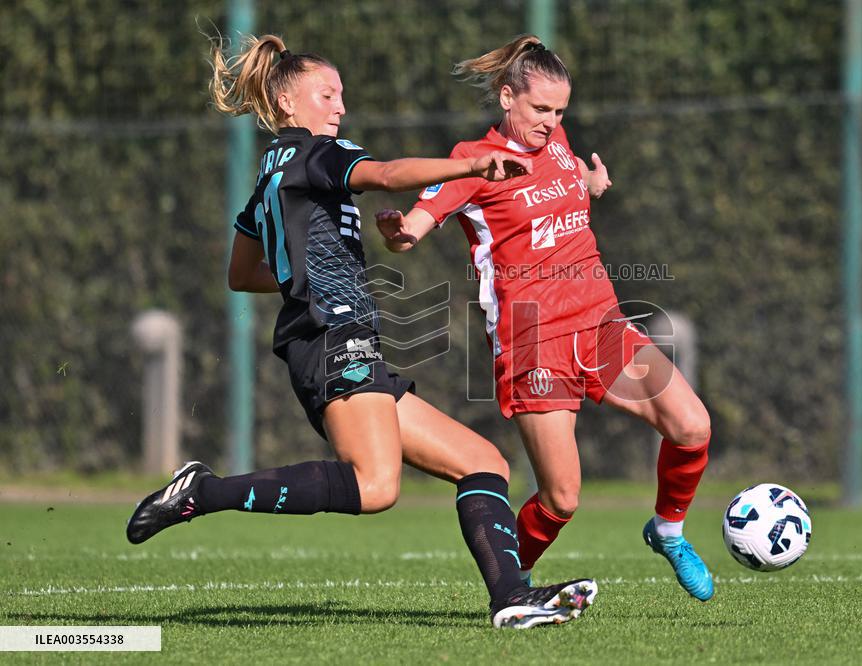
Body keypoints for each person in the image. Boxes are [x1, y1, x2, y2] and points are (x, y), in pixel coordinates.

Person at [125, 33, 598, 629]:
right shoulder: (315, 154)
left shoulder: (270, 177)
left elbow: (242, 274)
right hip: (330, 337)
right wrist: (473, 164)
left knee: (484, 463)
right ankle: (204, 491)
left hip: (334, 335)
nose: (340, 107)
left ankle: (511, 598)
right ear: (288, 104)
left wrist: (309, 276)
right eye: (327, 94)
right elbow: (389, 172)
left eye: (342, 95)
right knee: (376, 487)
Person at [375, 35, 714, 601]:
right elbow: (418, 221)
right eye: (540, 109)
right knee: (562, 498)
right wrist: (399, 232)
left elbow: (564, 173)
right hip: (533, 337)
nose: (551, 121)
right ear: (507, 97)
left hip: (599, 321)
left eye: (560, 111)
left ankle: (669, 531)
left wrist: (591, 183)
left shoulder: (555, 139)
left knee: (693, 426)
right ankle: (510, 587)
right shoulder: (472, 161)